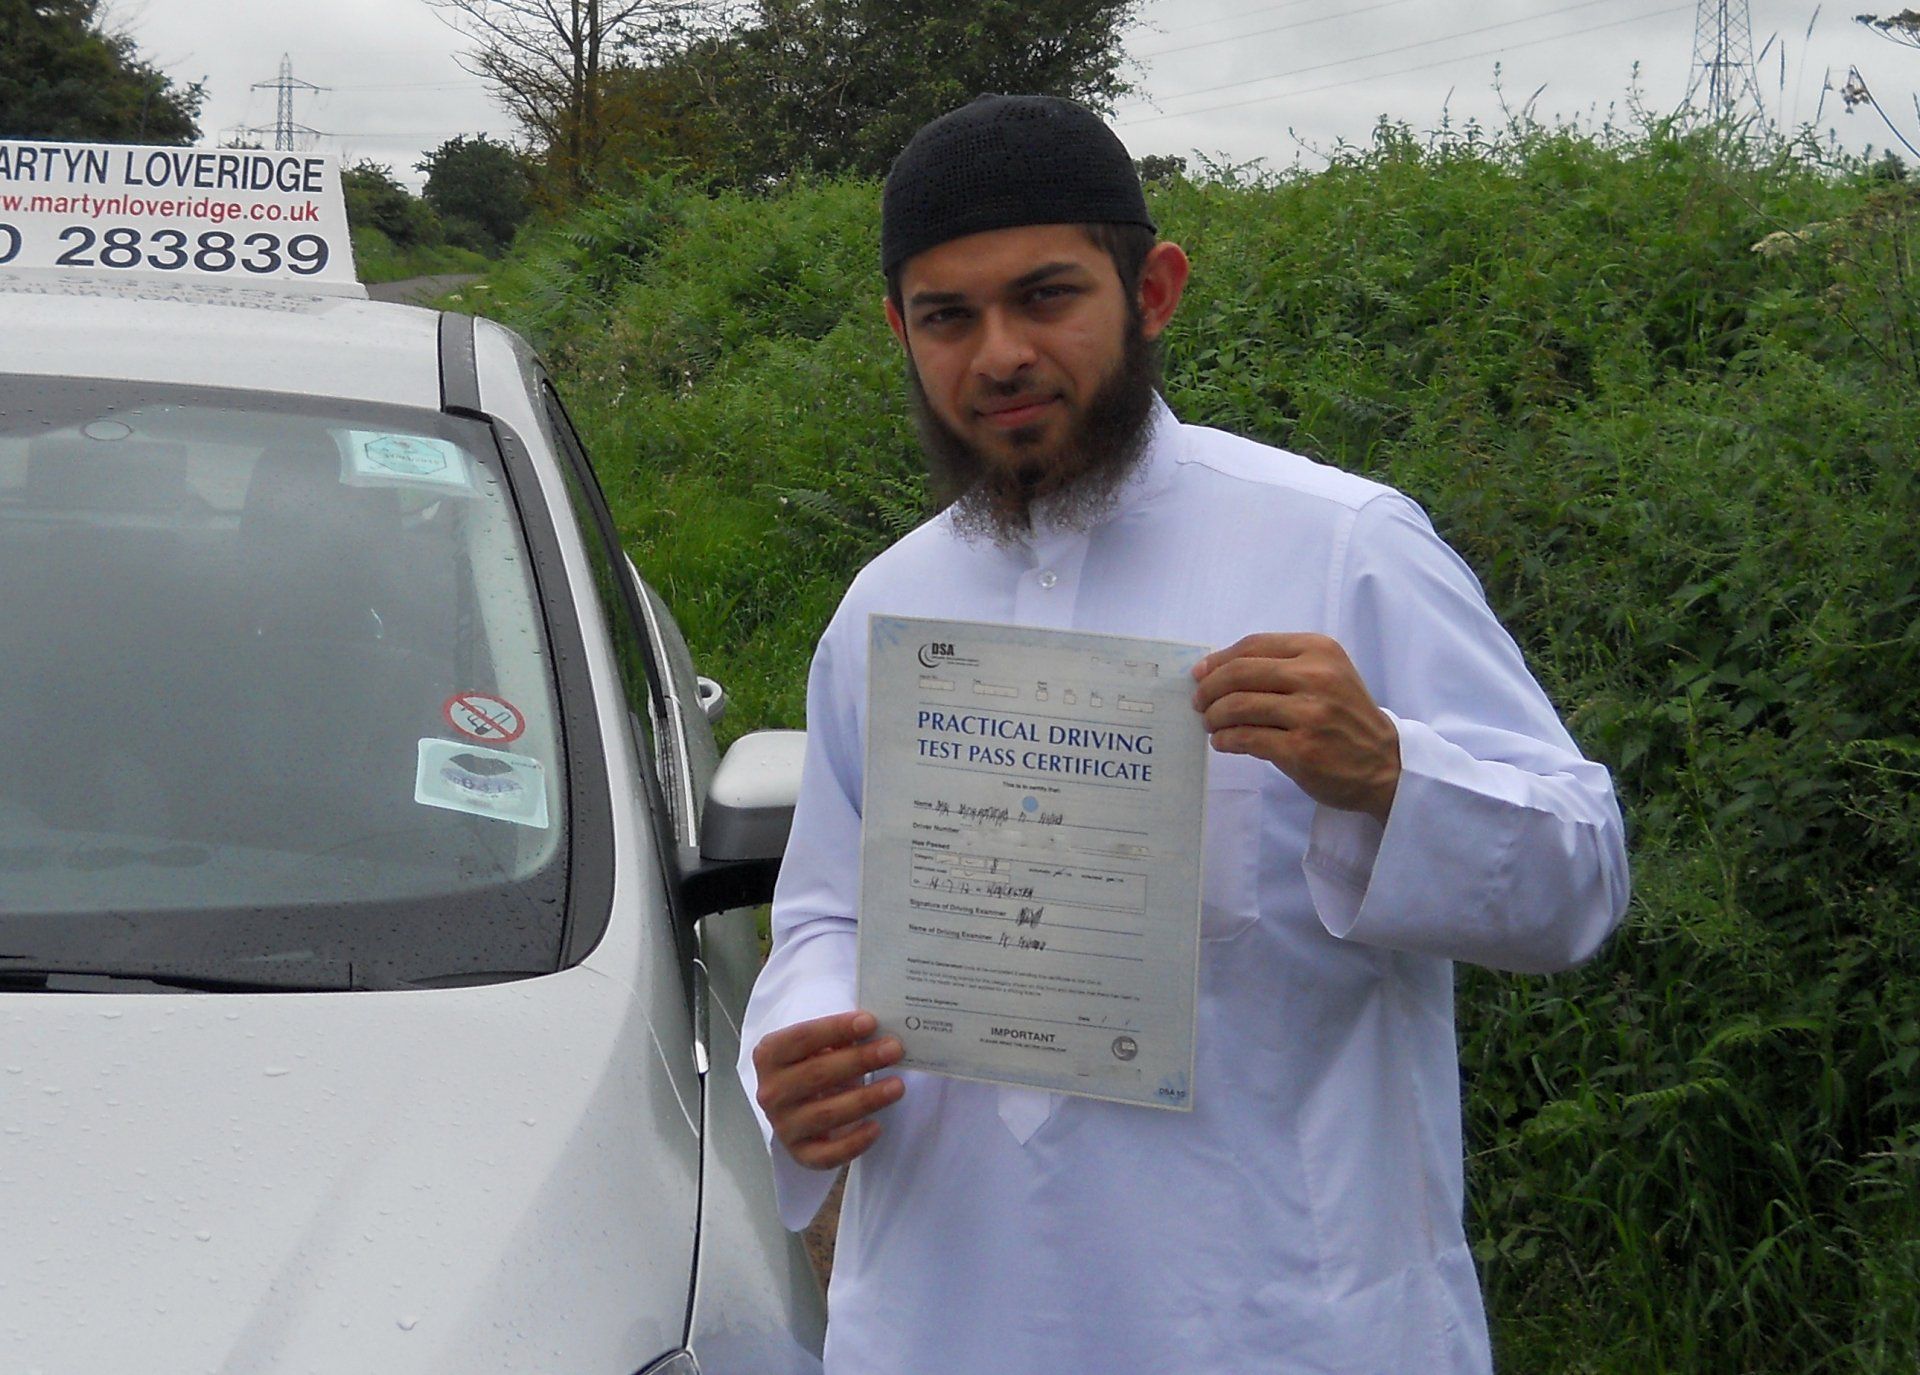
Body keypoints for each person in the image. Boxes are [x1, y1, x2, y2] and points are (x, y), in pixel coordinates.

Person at [740, 93, 1630, 1373]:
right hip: (949, 1306)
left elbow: (1581, 878)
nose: (999, 355)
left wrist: (1389, 776)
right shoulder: (889, 604)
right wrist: (803, 1045)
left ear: (1152, 291)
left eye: (1046, 297)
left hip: (1272, 1312)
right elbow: (830, 908)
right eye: (948, 316)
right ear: (901, 331)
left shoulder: (1342, 546)